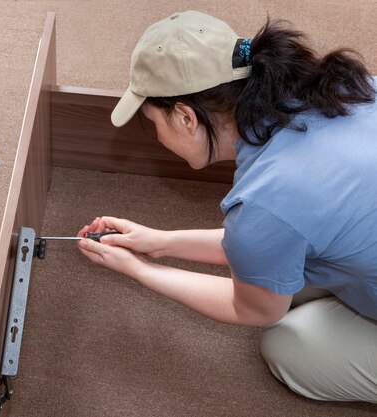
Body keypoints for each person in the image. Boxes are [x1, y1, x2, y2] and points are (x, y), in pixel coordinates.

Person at [76, 10, 377, 403]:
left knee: (287, 345)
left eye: (153, 122)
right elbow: (271, 236)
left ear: (185, 117)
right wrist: (158, 241)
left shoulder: (267, 198)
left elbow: (253, 308)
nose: (155, 135)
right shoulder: (343, 88)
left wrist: (139, 269)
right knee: (295, 268)